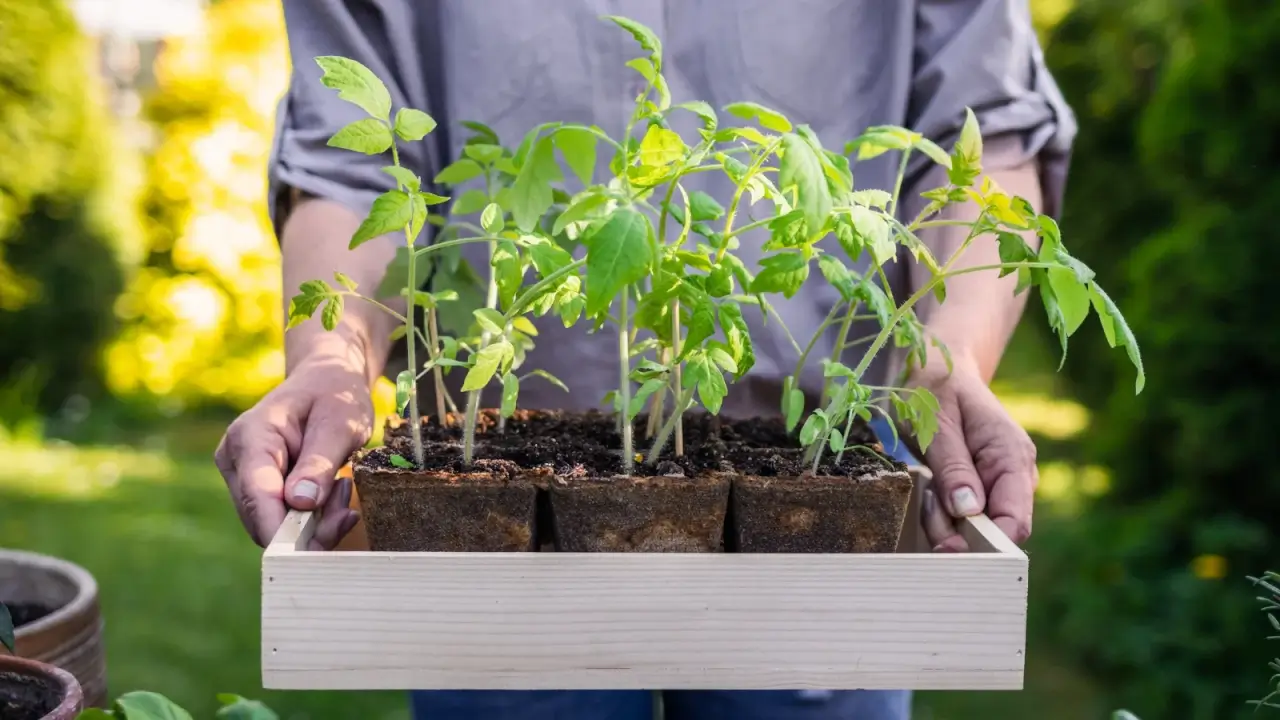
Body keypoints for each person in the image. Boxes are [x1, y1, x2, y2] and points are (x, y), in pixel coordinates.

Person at [215, 1, 1071, 718]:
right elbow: (350, 160)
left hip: (824, 471)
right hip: (488, 499)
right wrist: (334, 356)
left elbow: (985, 137)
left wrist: (949, 353)